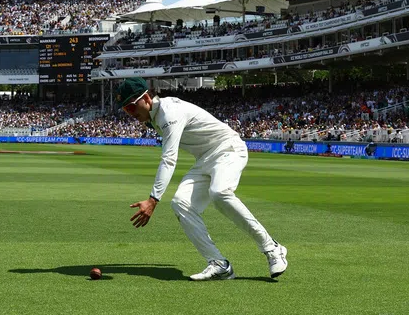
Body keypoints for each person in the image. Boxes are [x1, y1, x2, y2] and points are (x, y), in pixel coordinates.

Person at [116, 77, 288, 281]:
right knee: (181, 203)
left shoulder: (169, 113)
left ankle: (272, 249)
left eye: (131, 108)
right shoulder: (154, 116)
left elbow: (169, 159)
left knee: (219, 192)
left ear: (145, 98)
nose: (131, 114)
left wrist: (153, 199)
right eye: (126, 111)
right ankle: (218, 264)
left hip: (228, 149)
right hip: (205, 159)